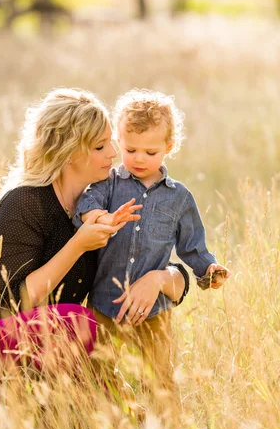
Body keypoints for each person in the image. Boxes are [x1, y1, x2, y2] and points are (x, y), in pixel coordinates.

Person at [0, 88, 189, 377]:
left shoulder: (104, 204)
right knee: (77, 322)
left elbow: (146, 260)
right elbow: (17, 301)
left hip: (38, 357)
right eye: (99, 146)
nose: (113, 153)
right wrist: (78, 245)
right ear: (70, 152)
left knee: (106, 347)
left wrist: (159, 278)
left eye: (110, 142)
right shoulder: (24, 203)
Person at [74, 88, 230, 392]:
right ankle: (121, 422)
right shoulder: (108, 184)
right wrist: (101, 217)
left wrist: (209, 269)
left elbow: (192, 246)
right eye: (131, 150)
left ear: (168, 147)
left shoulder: (179, 198)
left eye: (150, 152)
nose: (139, 159)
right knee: (96, 375)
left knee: (159, 381)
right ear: (119, 141)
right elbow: (86, 202)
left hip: (153, 311)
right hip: (105, 303)